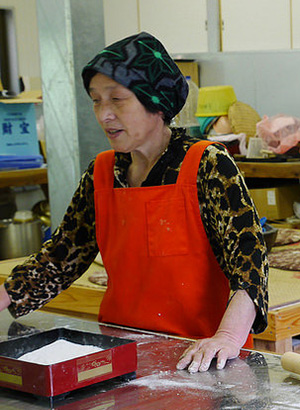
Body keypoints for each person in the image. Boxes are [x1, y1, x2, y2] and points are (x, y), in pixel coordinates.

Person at [0, 32, 269, 373]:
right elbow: (61, 255)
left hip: (204, 358)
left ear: (155, 101)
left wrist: (228, 336)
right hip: (122, 353)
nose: (104, 114)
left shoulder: (207, 165)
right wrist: (3, 296)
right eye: (96, 100)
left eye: (117, 100)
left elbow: (250, 261)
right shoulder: (101, 172)